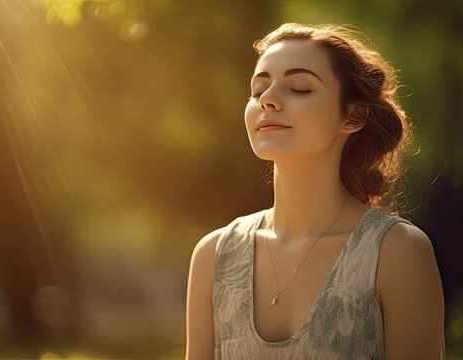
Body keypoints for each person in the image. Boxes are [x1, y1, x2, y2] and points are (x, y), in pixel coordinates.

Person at [185, 23, 446, 359]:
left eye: (299, 88)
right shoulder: (214, 256)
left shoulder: (397, 253)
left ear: (352, 115)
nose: (267, 100)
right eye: (258, 89)